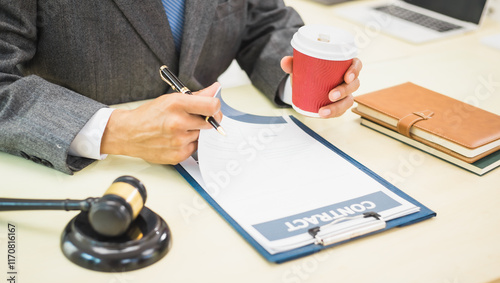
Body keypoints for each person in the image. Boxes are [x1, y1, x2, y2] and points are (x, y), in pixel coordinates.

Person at [0, 0, 362, 174]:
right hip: (88, 178)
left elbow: (266, 23)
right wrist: (115, 130)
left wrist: (301, 82)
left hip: (216, 172)